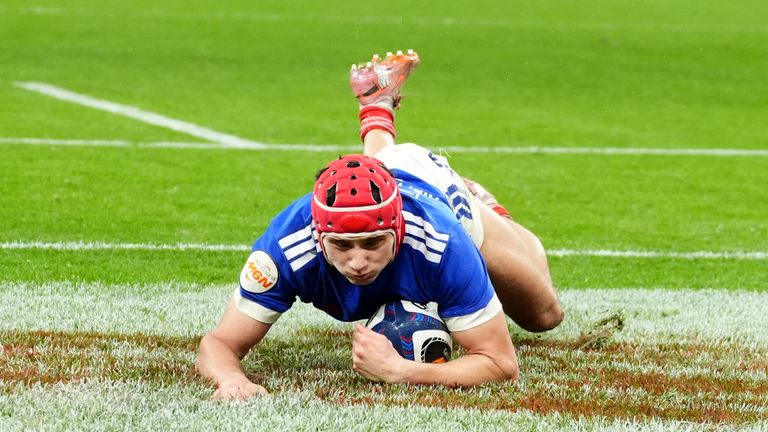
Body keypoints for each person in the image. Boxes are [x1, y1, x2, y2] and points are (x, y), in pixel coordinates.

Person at [196, 50, 563, 400]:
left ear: (398, 231)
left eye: (372, 243)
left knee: (544, 314)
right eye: (342, 245)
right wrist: (230, 379)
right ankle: (376, 106)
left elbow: (501, 363)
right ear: (319, 236)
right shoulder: (287, 247)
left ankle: (489, 208)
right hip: (386, 177)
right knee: (380, 169)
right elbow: (218, 344)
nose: (357, 261)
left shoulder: (441, 239)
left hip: (434, 186)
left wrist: (401, 371)